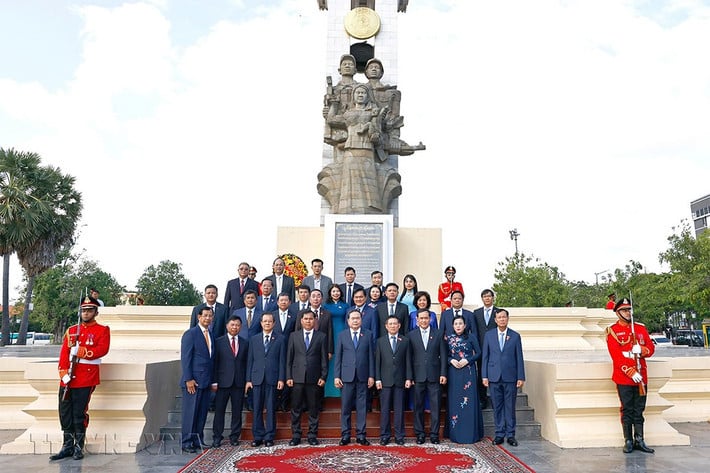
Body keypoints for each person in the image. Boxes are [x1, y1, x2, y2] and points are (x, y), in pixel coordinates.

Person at [50, 296, 110, 461]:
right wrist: (63, 373)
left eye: (89, 310)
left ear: (95, 312)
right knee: (64, 412)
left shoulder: (102, 330)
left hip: (86, 376)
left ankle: (78, 447)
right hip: (68, 377)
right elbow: (64, 354)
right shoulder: (72, 330)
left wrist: (82, 351)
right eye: (83, 310)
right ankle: (67, 446)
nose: (86, 313)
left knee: (79, 413)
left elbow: (102, 349)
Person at [606, 297, 655, 454]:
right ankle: (628, 440)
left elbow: (651, 348)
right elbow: (616, 356)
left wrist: (642, 349)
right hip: (624, 377)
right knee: (627, 409)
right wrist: (630, 370)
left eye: (629, 310)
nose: (628, 313)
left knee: (639, 409)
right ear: (618, 313)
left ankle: (639, 439)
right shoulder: (612, 331)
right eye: (624, 310)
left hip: (641, 376)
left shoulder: (640, 329)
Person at [482, 309, 525, 447]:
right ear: (495, 320)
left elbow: (519, 357)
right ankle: (499, 434)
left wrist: (521, 376)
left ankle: (511, 435)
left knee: (510, 407)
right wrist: (484, 375)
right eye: (499, 317)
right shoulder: (489, 335)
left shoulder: (515, 336)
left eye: (504, 317)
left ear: (507, 319)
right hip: (494, 377)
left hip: (510, 377)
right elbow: (485, 357)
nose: (501, 319)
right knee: (497, 407)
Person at [286, 310, 329, 446]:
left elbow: (324, 359)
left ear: (315, 320)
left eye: (311, 319)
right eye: (306, 319)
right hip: (297, 377)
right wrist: (288, 376)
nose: (308, 321)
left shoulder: (321, 337)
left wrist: (323, 376)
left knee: (313, 408)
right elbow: (289, 358)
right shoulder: (293, 336)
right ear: (301, 320)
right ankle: (296, 435)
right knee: (296, 408)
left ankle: (312, 435)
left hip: (314, 378)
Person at [334, 309, 375, 446]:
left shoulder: (368, 334)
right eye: (353, 318)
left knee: (361, 407)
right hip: (346, 376)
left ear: (361, 319)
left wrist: (371, 375)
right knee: (345, 407)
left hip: (363, 376)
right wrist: (336, 376)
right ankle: (345, 435)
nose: (356, 321)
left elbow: (371, 357)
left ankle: (361, 435)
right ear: (348, 320)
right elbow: (338, 357)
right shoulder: (342, 335)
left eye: (358, 318)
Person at [245, 313, 285, 447]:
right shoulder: (254, 339)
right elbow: (250, 360)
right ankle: (257, 436)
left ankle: (269, 436)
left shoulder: (280, 339)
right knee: (256, 409)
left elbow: (282, 361)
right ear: (261, 323)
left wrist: (281, 378)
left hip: (272, 378)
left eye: (270, 321)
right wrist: (248, 379)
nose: (267, 323)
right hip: (256, 378)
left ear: (274, 323)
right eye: (265, 321)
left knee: (271, 408)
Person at [408, 308, 447, 444]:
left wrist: (443, 373)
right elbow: (409, 358)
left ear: (430, 319)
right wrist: (410, 376)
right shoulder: (411, 335)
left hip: (434, 375)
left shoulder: (438, 334)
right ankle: (420, 434)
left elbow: (443, 355)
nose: (424, 320)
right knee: (418, 406)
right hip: (418, 377)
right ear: (417, 320)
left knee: (435, 406)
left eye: (426, 318)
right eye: (421, 318)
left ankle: (434, 434)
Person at [180, 306, 214, 453]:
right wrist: (188, 379)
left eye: (210, 316)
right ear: (199, 317)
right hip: (193, 382)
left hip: (206, 381)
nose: (207, 318)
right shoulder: (190, 334)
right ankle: (186, 442)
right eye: (205, 315)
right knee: (190, 413)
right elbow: (186, 358)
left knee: (201, 413)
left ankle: (197, 440)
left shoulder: (211, 334)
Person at [210, 315, 249, 447]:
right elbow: (214, 363)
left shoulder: (245, 343)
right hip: (222, 382)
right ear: (227, 326)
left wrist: (246, 381)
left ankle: (234, 437)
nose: (235, 327)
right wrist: (214, 381)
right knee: (219, 411)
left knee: (237, 411)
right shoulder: (218, 342)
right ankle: (217, 437)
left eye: (237, 325)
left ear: (241, 327)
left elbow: (246, 363)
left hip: (238, 382)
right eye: (232, 325)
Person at [375, 315, 412, 445]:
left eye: (395, 324)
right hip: (384, 380)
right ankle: (384, 435)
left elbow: (408, 361)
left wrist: (409, 377)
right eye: (390, 324)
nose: (392, 326)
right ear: (386, 326)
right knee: (384, 409)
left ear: (399, 325)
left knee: (399, 409)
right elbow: (377, 361)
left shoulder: (405, 341)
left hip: (400, 380)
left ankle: (399, 436)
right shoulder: (380, 341)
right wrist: (377, 379)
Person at [446, 315, 483, 443]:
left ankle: (471, 433)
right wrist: (451, 361)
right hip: (454, 372)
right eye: (456, 324)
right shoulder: (449, 339)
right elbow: (444, 355)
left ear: (465, 325)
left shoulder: (471, 337)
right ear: (452, 326)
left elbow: (479, 353)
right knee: (455, 401)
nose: (458, 326)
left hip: (468, 373)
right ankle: (456, 434)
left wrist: (468, 360)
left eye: (460, 323)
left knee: (469, 402)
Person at [473, 289, 498, 409]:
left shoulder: (499, 312)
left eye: (489, 296)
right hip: (481, 349)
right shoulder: (476, 313)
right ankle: (482, 400)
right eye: (484, 296)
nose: (487, 298)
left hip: (495, 349)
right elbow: (475, 331)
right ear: (482, 298)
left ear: (493, 298)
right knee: (481, 375)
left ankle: (495, 399)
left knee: (495, 374)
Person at [323, 284, 349, 397]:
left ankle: (340, 389)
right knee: (331, 359)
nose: (336, 293)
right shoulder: (325, 306)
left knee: (341, 358)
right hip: (330, 333)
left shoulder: (345, 305)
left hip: (342, 332)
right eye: (333, 291)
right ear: (330, 293)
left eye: (337, 291)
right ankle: (329, 390)